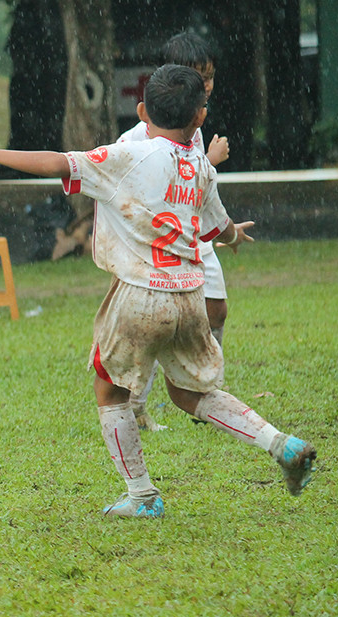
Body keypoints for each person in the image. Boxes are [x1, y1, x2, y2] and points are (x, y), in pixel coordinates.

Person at [0, 64, 316, 517]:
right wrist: (236, 236)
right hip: (188, 295)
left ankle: (141, 495)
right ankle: (281, 443)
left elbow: (57, 162)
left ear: (141, 110)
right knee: (190, 393)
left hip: (139, 295)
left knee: (110, 390)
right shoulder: (200, 166)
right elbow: (219, 225)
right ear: (200, 118)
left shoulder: (129, 155)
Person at [119, 31, 230, 432]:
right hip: (156, 249)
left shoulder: (195, 122)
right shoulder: (133, 139)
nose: (207, 87)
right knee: (150, 331)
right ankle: (136, 404)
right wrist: (210, 161)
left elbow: (194, 184)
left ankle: (207, 387)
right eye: (199, 78)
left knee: (216, 308)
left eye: (210, 77)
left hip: (194, 237)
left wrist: (227, 231)